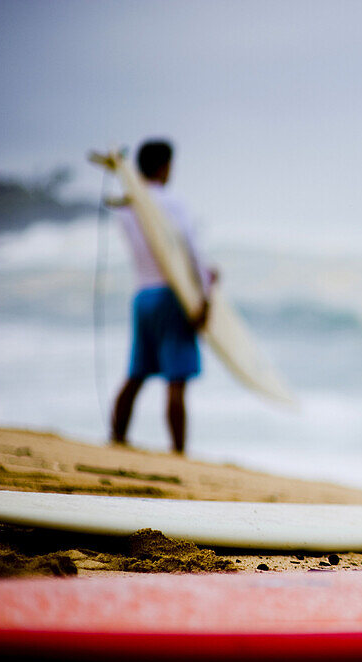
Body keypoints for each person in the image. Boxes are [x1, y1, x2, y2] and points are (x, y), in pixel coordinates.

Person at [110, 139, 216, 454]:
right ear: (163, 166)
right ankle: (178, 451)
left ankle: (116, 439)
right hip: (172, 296)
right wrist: (205, 297)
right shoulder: (172, 203)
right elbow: (191, 252)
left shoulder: (128, 206)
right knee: (176, 379)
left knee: (137, 373)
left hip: (142, 294)